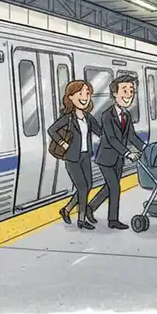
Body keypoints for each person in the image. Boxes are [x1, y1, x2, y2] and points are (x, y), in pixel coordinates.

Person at [84, 74, 147, 230]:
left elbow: (131, 136)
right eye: (124, 90)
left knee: (109, 186)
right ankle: (113, 220)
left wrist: (145, 148)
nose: (128, 95)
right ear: (115, 94)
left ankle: (89, 208)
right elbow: (111, 139)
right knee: (115, 187)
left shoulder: (127, 115)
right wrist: (128, 153)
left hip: (118, 158)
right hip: (106, 158)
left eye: (131, 91)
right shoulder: (107, 115)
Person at [49, 80, 103, 230]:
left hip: (85, 156)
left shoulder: (88, 117)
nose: (84, 96)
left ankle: (66, 210)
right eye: (80, 93)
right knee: (83, 188)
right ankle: (81, 219)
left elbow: (100, 132)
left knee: (88, 186)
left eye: (87, 93)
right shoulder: (69, 118)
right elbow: (52, 130)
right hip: (72, 158)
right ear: (71, 97)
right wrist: (62, 143)